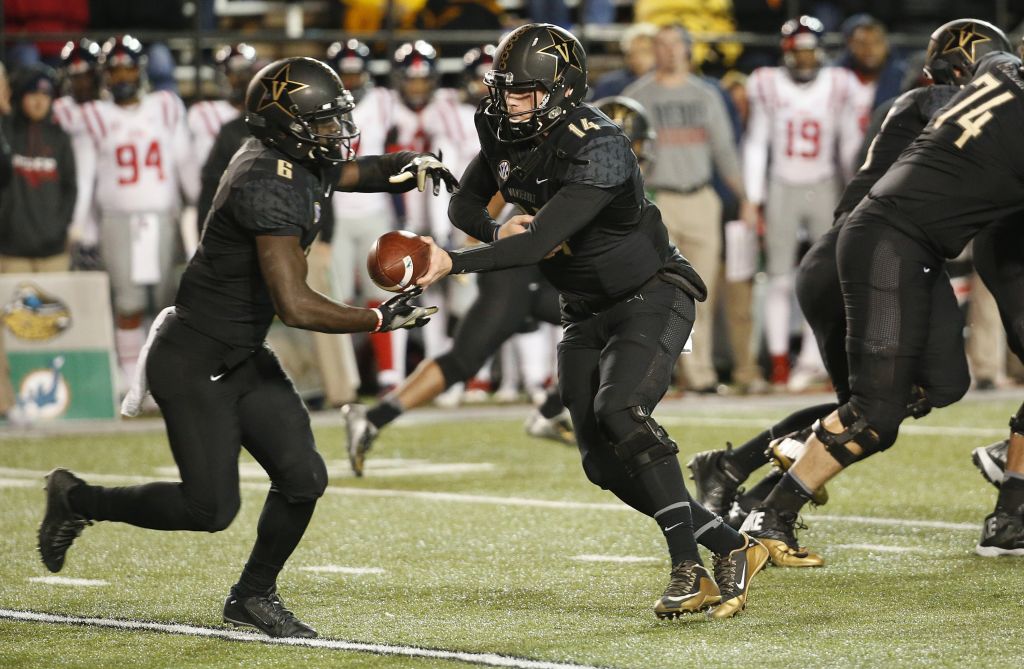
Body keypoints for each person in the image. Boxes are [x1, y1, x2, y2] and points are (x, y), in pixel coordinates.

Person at [36, 56, 458, 638]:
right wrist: (378, 318)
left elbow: (355, 171)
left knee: (304, 478)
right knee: (209, 510)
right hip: (194, 359)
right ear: (286, 127)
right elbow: (296, 305)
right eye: (324, 123)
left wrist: (408, 164)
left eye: (338, 119)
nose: (337, 133)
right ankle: (78, 499)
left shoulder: (296, 159)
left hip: (242, 353)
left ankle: (253, 595)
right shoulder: (266, 183)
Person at [415, 23, 768, 620]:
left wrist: (454, 261)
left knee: (620, 410)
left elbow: (539, 243)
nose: (510, 102)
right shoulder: (498, 125)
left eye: (525, 91)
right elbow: (465, 202)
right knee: (600, 464)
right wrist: (495, 228)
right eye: (505, 89)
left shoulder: (600, 145)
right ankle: (732, 545)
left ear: (563, 90)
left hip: (652, 292)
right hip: (583, 308)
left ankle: (689, 570)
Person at [689, 19, 999, 565]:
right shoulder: (938, 103)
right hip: (873, 256)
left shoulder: (919, 103)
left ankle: (738, 472)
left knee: (910, 395)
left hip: (875, 256)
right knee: (875, 412)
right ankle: (765, 503)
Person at [624, 24, 753, 394]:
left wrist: (745, 198)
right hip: (657, 201)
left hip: (700, 199)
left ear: (687, 49)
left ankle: (700, 374)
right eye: (661, 45)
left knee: (699, 293)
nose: (668, 51)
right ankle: (662, 375)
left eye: (674, 44)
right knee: (656, 295)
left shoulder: (706, 95)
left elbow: (724, 151)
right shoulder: (637, 96)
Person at [742, 15, 864, 390]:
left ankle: (815, 361)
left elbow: (848, 142)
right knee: (778, 278)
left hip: (825, 183)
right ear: (787, 53)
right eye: (799, 52)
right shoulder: (766, 83)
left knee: (826, 278)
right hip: (782, 184)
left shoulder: (840, 84)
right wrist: (754, 197)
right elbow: (757, 141)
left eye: (811, 52)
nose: (806, 59)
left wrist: (855, 188)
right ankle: (779, 361)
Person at [0, 64, 76, 272]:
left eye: (45, 94)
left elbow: (70, 187)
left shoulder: (59, 137)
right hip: (11, 251)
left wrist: (59, 227)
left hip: (53, 251)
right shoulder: (6, 131)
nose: (39, 101)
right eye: (33, 93)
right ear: (20, 95)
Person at [589, 23, 658, 101]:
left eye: (645, 51)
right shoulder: (609, 84)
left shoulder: (666, 82)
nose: (639, 58)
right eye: (633, 53)